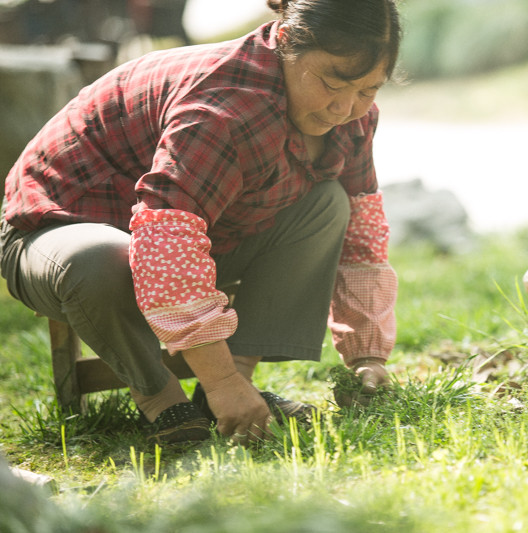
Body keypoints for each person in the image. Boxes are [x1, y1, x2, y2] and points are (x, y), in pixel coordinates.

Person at [0, 0, 401, 445]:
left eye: (368, 90)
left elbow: (362, 240)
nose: (344, 108)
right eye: (332, 82)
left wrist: (369, 356)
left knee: (329, 204)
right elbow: (165, 241)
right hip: (51, 234)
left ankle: (232, 387)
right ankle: (163, 401)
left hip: (197, 236)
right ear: (285, 40)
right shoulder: (222, 107)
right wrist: (219, 379)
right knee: (98, 257)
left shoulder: (354, 120)